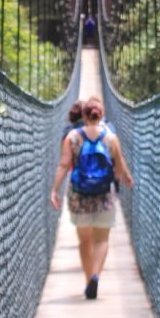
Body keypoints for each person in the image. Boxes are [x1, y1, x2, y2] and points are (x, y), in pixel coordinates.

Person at [49, 97, 133, 300]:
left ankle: (88, 281)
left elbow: (63, 165)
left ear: (83, 116)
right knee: (102, 240)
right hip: (104, 195)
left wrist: (54, 189)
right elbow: (119, 167)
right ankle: (96, 276)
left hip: (79, 195)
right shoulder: (110, 138)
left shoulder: (73, 136)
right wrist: (126, 177)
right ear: (101, 115)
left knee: (84, 240)